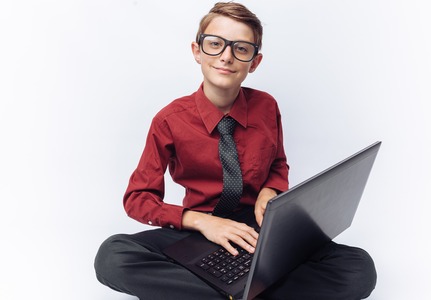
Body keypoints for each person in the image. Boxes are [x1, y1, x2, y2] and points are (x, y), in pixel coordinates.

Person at [94, 2, 377, 299]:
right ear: (197, 51)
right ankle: (244, 290)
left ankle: (233, 290)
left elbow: (278, 166)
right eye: (215, 44)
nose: (226, 57)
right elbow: (138, 199)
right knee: (113, 256)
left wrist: (271, 192)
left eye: (241, 49)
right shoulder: (168, 120)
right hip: (197, 229)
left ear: (254, 61)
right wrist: (202, 222)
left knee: (358, 268)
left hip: (257, 232)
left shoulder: (267, 107)